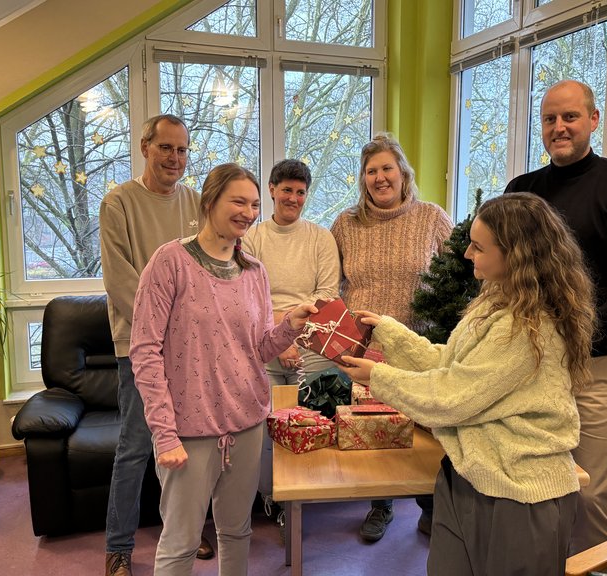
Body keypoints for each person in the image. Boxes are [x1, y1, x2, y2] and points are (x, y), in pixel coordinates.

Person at [339, 193, 596, 575]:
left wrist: (378, 377)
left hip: (517, 495)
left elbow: (452, 396)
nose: (466, 254)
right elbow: (453, 366)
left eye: (478, 246)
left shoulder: (528, 327)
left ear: (515, 254)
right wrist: (390, 333)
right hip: (470, 477)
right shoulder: (497, 300)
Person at [129, 163, 316, 576]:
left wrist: (290, 327)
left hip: (247, 423)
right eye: (238, 201)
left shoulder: (254, 271)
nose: (248, 212)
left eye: (253, 204)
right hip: (189, 429)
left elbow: (260, 347)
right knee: (180, 543)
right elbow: (144, 353)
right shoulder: (170, 262)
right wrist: (164, 434)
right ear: (210, 201)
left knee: (236, 531)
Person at [504, 79, 607, 554]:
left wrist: (578, 338)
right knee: (532, 485)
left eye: (570, 117)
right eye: (550, 119)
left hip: (597, 367)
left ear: (593, 120)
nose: (559, 127)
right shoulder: (522, 191)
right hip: (528, 365)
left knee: (589, 489)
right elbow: (502, 273)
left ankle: (589, 567)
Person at [100, 114, 214, 576]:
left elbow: (207, 270)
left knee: (189, 445)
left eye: (182, 150)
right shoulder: (119, 203)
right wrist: (164, 333)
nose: (174, 158)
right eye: (166, 148)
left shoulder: (195, 203)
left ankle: (185, 533)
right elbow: (120, 279)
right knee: (135, 446)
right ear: (145, 147)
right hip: (140, 349)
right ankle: (118, 547)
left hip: (191, 349)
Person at [330, 133, 453, 542]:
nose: (380, 178)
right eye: (371, 171)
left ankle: (431, 507)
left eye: (387, 168)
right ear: (363, 179)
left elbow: (459, 278)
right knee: (376, 435)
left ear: (403, 173)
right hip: (366, 352)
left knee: (425, 434)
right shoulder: (346, 224)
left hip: (420, 347)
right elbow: (333, 286)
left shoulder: (432, 218)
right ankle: (380, 506)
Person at [241, 159, 340, 513]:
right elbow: (249, 297)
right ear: (271, 189)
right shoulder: (252, 237)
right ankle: (270, 499)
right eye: (287, 190)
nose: (293, 198)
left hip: (311, 347)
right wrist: (280, 337)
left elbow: (326, 296)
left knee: (306, 425)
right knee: (263, 429)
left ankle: (302, 499)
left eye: (300, 192)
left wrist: (293, 338)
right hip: (262, 346)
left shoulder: (320, 238)